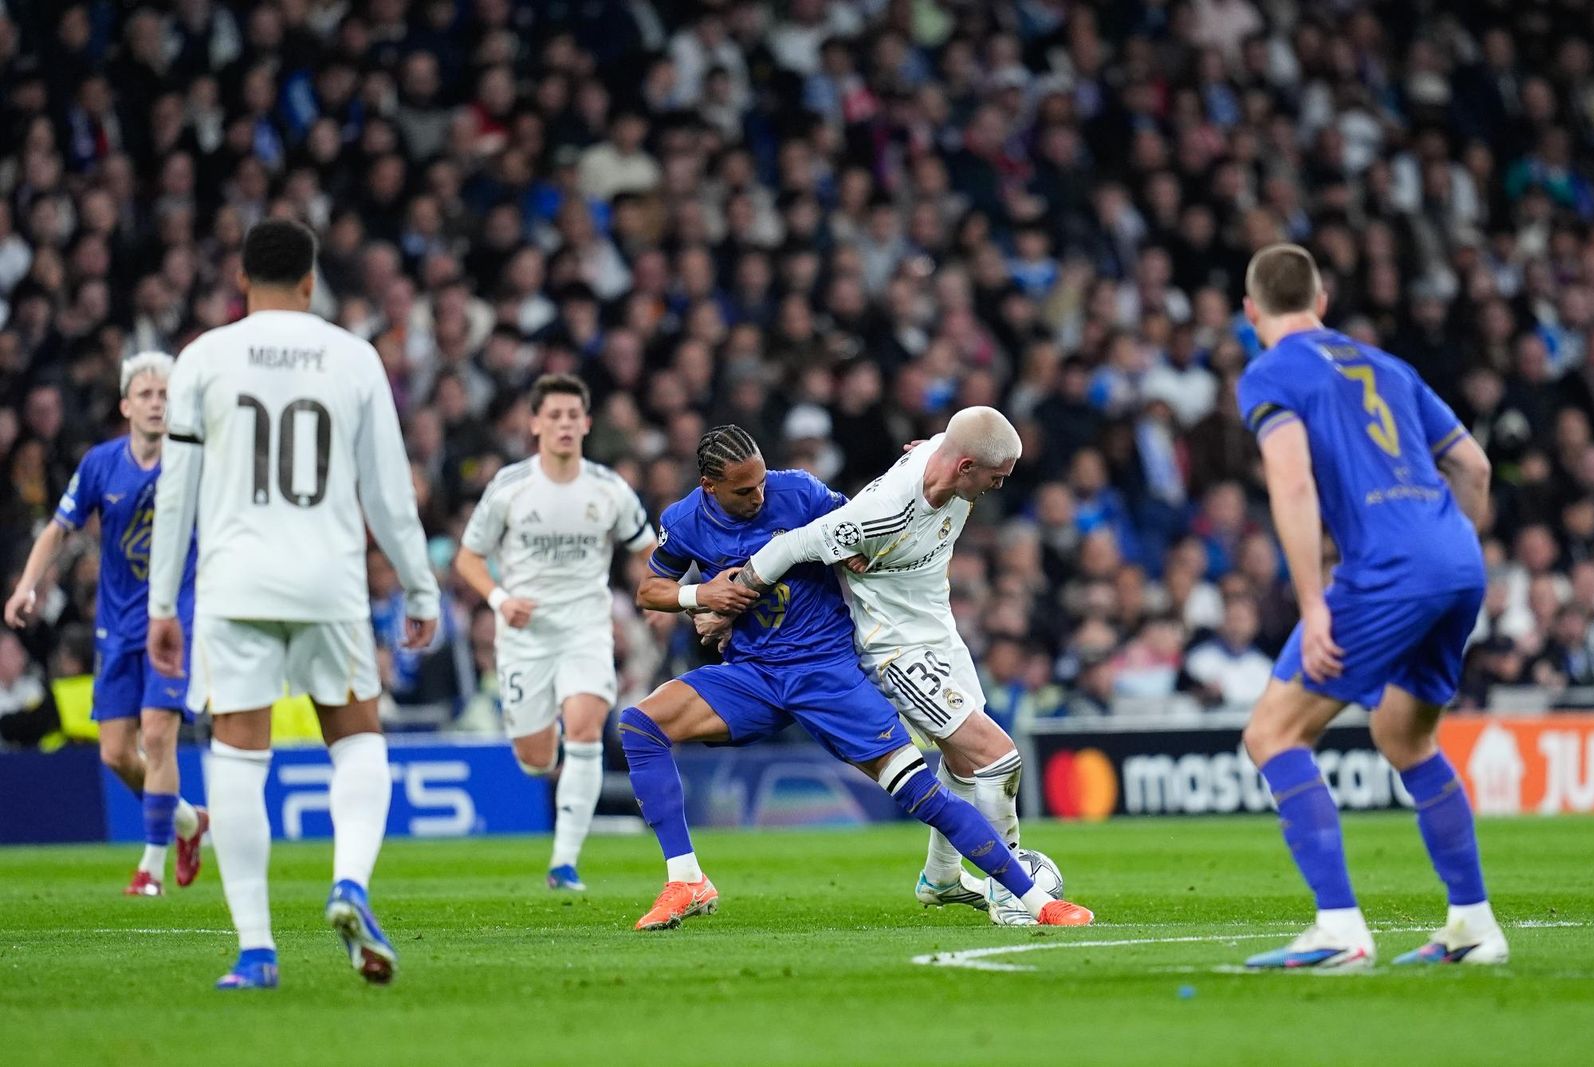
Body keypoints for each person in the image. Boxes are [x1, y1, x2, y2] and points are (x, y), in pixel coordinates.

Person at [624, 424, 1093, 930]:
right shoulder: (684, 521)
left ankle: (1033, 900)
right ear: (708, 485)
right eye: (744, 490)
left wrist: (757, 589)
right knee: (641, 724)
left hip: (825, 671)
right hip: (753, 674)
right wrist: (701, 597)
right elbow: (651, 589)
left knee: (922, 792)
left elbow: (853, 526)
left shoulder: (799, 491)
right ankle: (686, 878)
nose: (759, 495)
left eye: (761, 482)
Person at [147, 219, 440, 990]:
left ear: (241, 280)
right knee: (356, 737)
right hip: (328, 581)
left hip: (234, 584)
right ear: (312, 282)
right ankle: (349, 882)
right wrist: (419, 582)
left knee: (239, 753)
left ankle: (255, 949)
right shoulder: (352, 356)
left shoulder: (203, 357)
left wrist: (159, 604)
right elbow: (386, 489)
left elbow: (174, 491)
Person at [1232, 243, 1505, 969]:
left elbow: (1292, 486)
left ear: (1252, 311)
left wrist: (1313, 604)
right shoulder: (1389, 366)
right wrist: (1452, 550)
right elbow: (1473, 465)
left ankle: (1339, 927)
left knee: (1273, 733)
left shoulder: (1269, 372)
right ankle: (1474, 924)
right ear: (1322, 302)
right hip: (1456, 558)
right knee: (1404, 735)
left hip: (1387, 568)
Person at [732, 408, 1040, 913]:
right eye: (995, 477)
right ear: (965, 467)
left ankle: (941, 879)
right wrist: (725, 603)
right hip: (895, 646)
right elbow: (791, 546)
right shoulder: (883, 512)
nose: (999, 486)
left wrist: (930, 448)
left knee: (965, 763)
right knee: (997, 757)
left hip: (937, 629)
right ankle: (1011, 893)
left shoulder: (945, 458)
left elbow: (948, 441)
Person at [5, 352, 206, 896]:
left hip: (176, 620)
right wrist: (26, 585)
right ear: (126, 405)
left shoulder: (194, 461)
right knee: (116, 752)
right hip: (116, 625)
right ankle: (189, 822)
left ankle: (152, 868)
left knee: (159, 736)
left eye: (165, 394)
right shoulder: (100, 463)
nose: (157, 403)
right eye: (146, 394)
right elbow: (58, 528)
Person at [453, 373, 657, 890]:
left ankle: (564, 862)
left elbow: (646, 549)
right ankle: (543, 765)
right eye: (555, 416)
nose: (564, 424)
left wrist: (664, 594)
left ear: (586, 424)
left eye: (573, 416)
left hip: (587, 627)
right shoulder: (510, 487)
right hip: (525, 634)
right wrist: (500, 600)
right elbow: (468, 557)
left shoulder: (609, 489)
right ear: (536, 423)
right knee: (535, 757)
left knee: (585, 727)